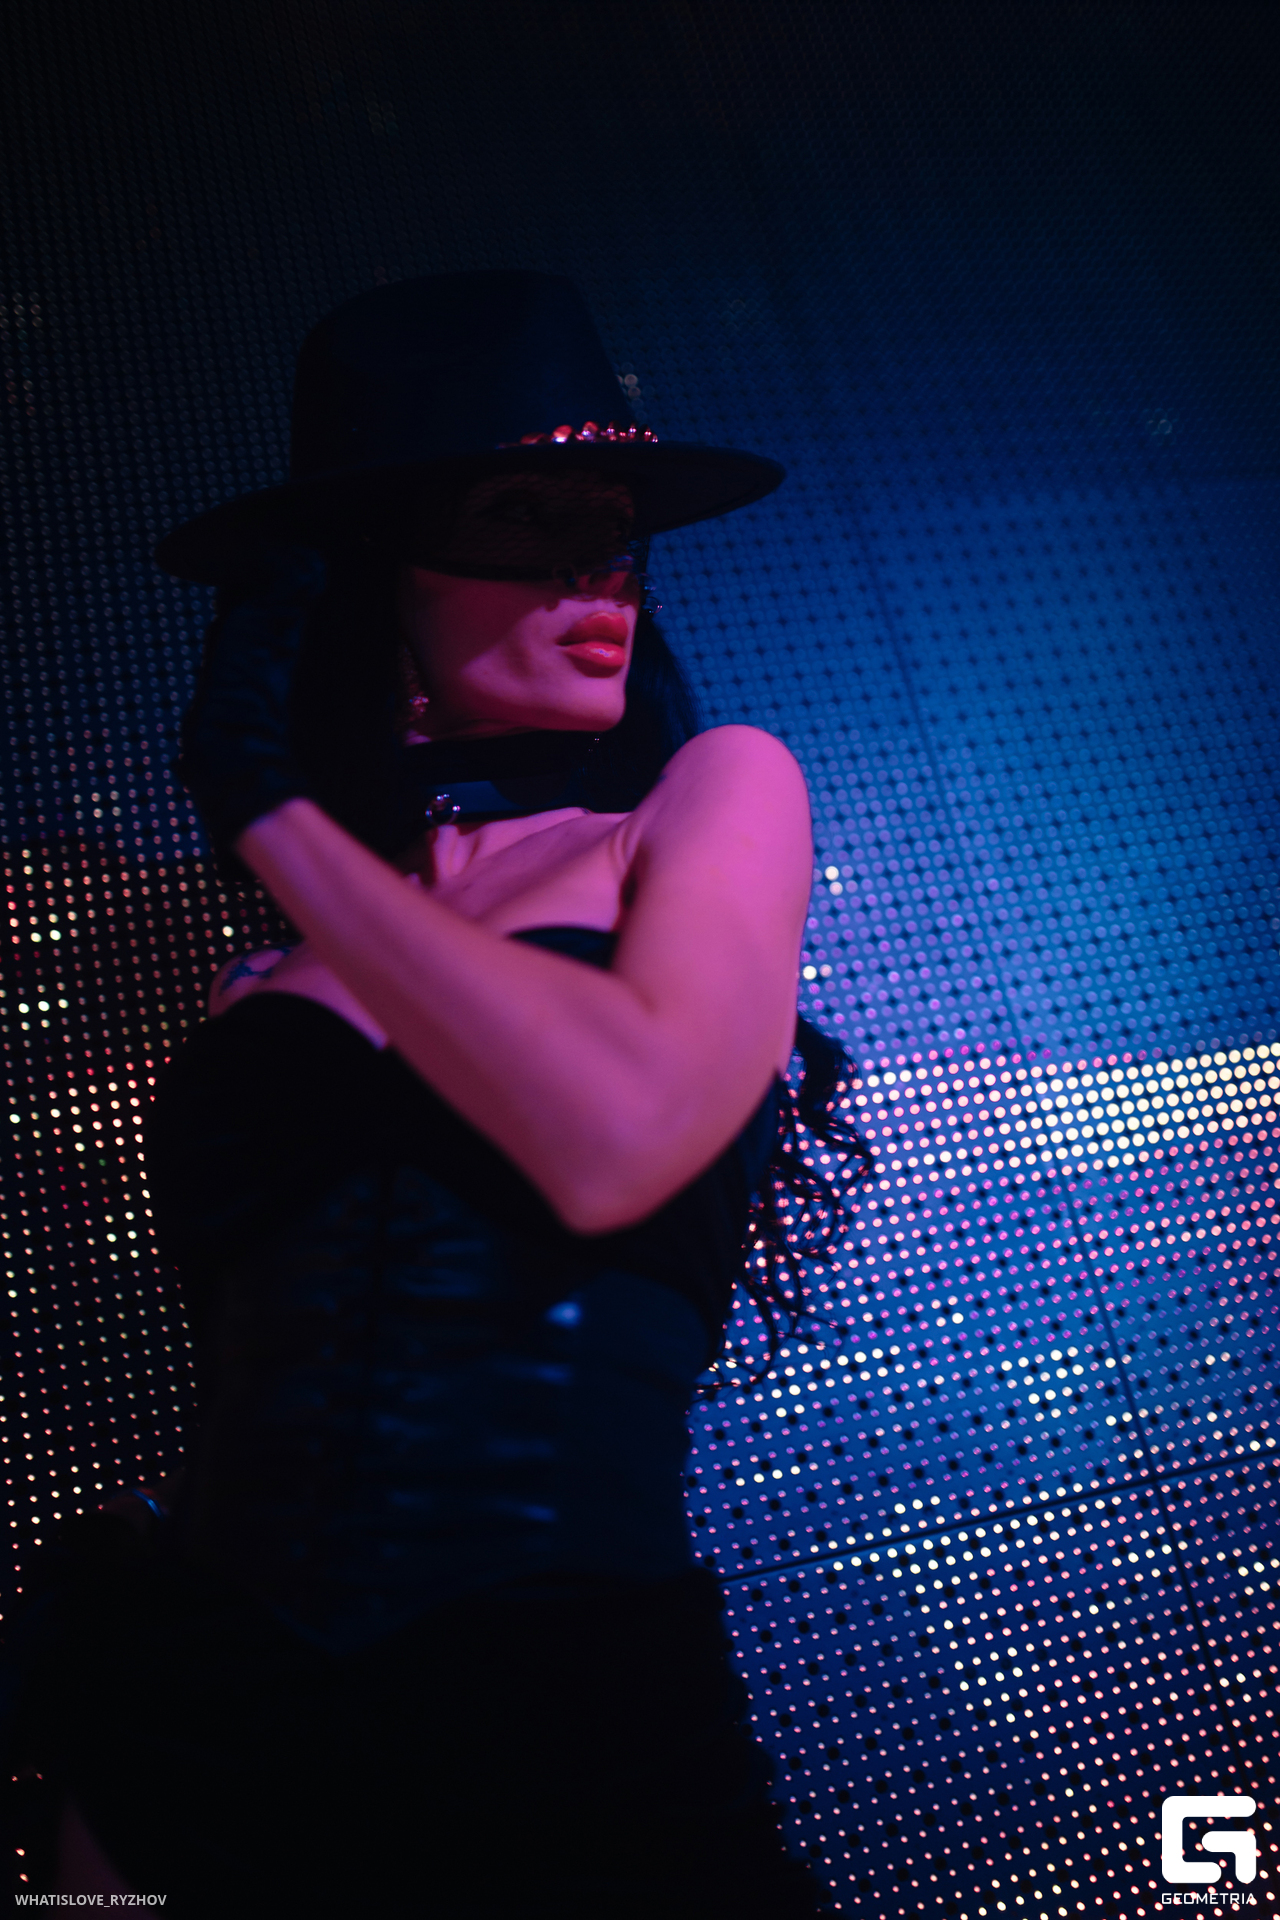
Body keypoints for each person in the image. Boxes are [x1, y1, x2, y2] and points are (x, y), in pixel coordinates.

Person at [6, 274, 867, 1915]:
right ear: (379, 574)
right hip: (189, 1743)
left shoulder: (712, 798)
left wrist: (269, 815)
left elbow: (617, 1138)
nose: (595, 573)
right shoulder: (270, 972)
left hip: (568, 1741)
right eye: (521, 518)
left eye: (615, 529)